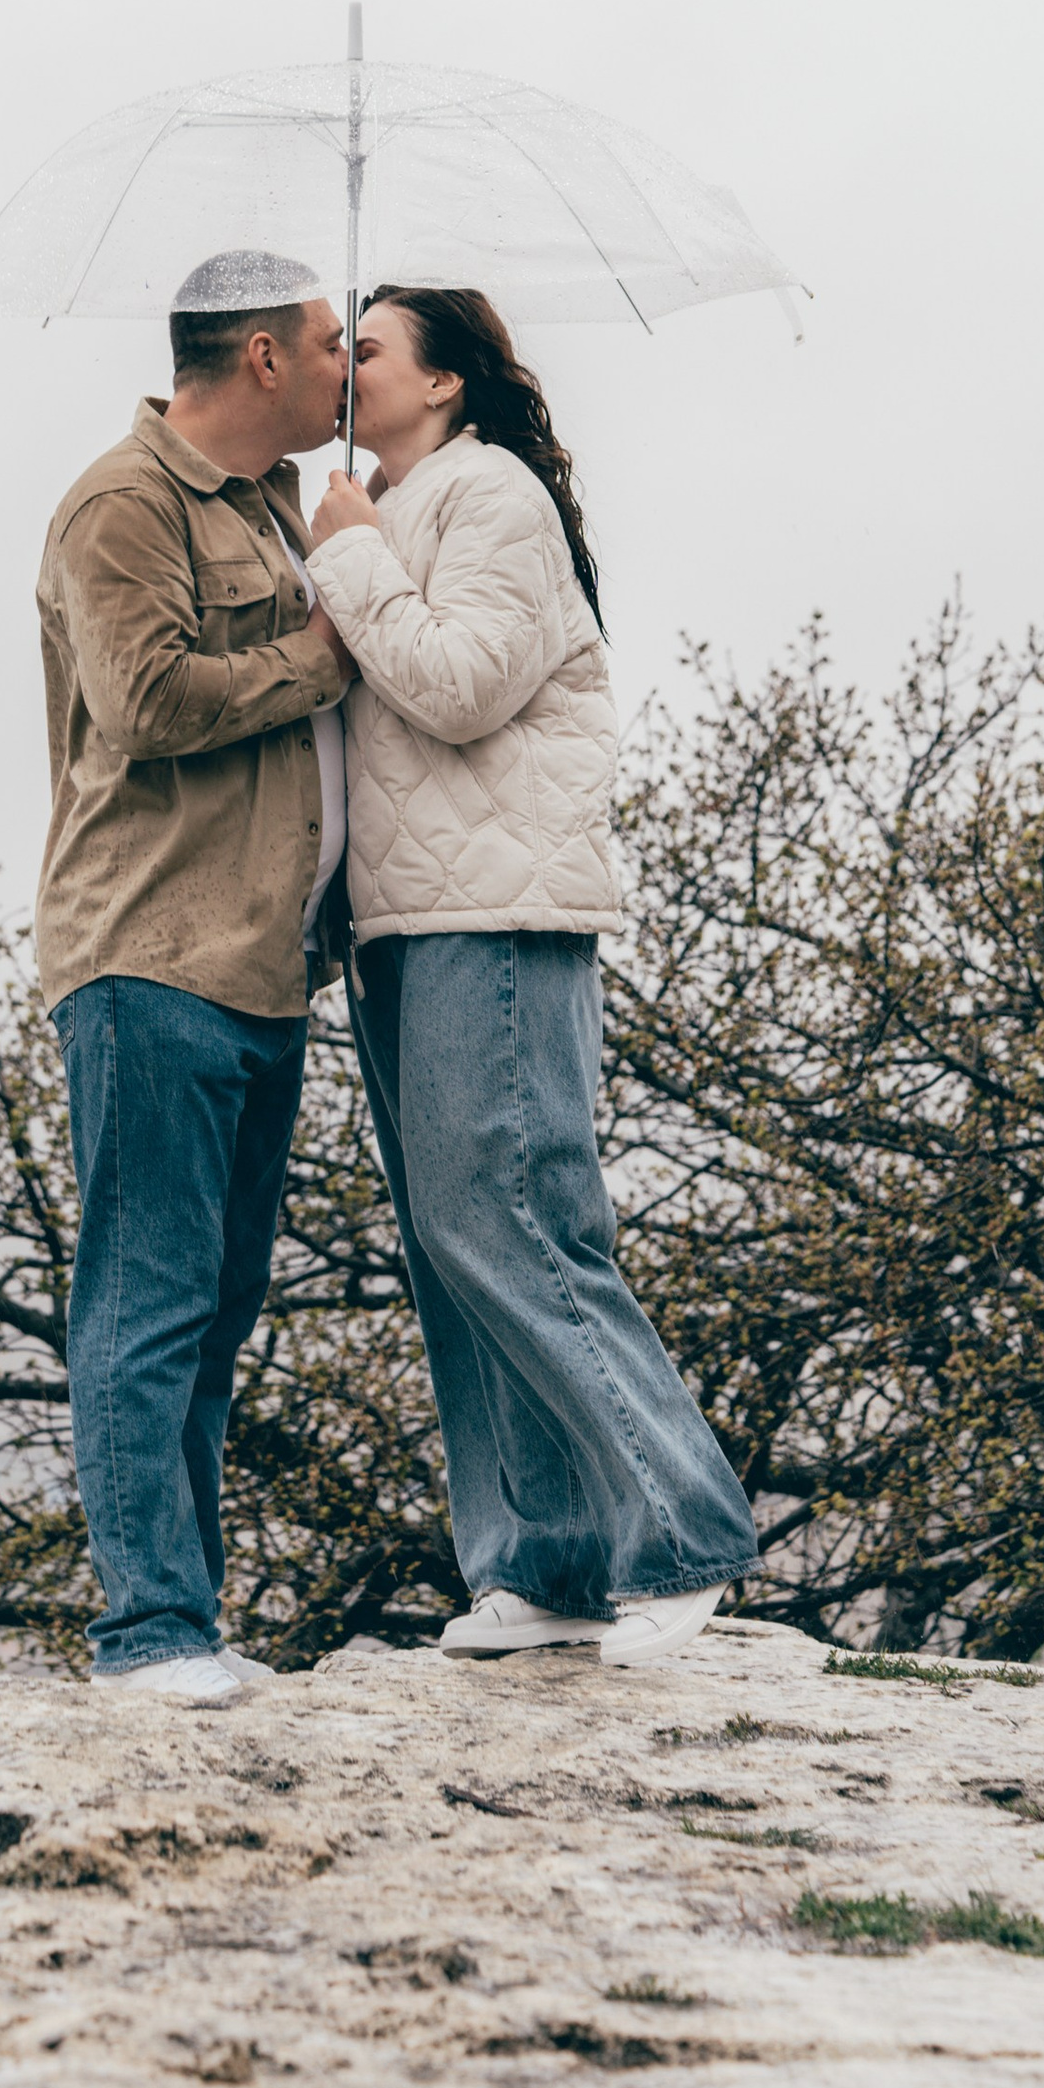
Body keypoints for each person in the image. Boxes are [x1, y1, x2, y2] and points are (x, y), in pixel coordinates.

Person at [304, 285, 759, 1669]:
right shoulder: (398, 503)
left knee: (515, 1218)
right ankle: (543, 1565)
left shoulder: (488, 494)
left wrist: (350, 559)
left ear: (443, 385)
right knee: (460, 1249)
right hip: (409, 920)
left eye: (365, 350)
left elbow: (461, 684)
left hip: (491, 916)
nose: (342, 370)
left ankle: (682, 1534)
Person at [36, 251, 354, 1705]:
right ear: (265, 359)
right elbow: (148, 701)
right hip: (149, 954)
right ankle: (149, 1632)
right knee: (145, 1298)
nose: (351, 366)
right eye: (333, 344)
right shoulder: (124, 505)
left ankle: (192, 1624)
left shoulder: (279, 511)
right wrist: (320, 650)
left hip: (258, 966)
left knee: (218, 1310)